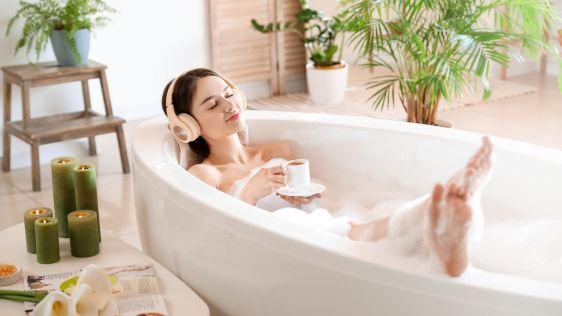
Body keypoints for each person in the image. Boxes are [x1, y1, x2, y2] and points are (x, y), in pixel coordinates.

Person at [161, 68, 494, 277]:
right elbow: (209, 241)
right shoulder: (208, 176)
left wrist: (308, 196)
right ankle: (439, 219)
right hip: (282, 253)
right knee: (355, 232)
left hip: (322, 227)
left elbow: (322, 203)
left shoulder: (278, 152)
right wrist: (248, 192)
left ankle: (443, 225)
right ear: (188, 126)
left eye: (229, 94)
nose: (228, 105)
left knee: (358, 228)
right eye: (212, 104)